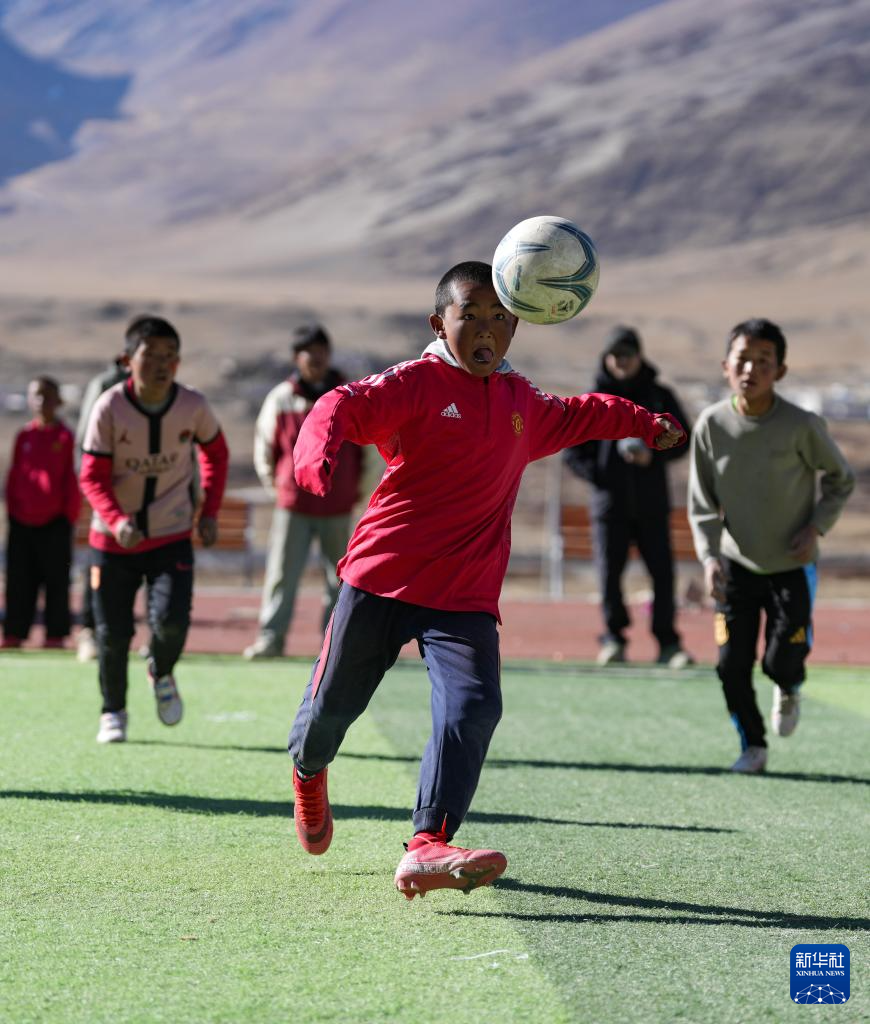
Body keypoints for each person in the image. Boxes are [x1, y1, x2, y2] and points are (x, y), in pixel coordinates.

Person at [286, 261, 686, 898]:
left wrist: (644, 420)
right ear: (439, 323)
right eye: (469, 314)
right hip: (382, 577)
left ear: (516, 325)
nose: (486, 328)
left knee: (474, 708)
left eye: (499, 317)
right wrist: (316, 455)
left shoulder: (520, 401)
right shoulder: (415, 383)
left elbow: (582, 413)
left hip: (465, 594)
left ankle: (427, 844)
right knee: (331, 712)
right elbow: (341, 403)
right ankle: (308, 772)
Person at [688, 318, 854, 774]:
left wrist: (816, 527)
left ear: (780, 371)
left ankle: (789, 682)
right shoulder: (711, 425)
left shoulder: (802, 426)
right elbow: (701, 502)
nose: (751, 369)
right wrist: (708, 557)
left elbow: (842, 479)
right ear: (726, 366)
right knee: (730, 665)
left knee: (781, 660)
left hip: (792, 566)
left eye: (764, 361)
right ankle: (753, 747)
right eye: (743, 359)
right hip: (736, 565)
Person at [79, 315, 229, 743]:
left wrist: (209, 510)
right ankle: (113, 712)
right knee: (112, 635)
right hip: (112, 542)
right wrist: (116, 519)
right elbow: (90, 475)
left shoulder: (193, 405)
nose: (162, 364)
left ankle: (160, 670)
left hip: (172, 534)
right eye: (151, 355)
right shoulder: (108, 407)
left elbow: (216, 454)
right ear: (128, 360)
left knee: (172, 624)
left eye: (170, 357)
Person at [564, 326, 694, 667]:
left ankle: (668, 643)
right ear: (606, 358)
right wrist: (603, 476)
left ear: (640, 356)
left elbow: (684, 439)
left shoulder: (659, 396)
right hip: (610, 507)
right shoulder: (594, 400)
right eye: (616, 355)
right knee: (609, 576)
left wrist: (654, 458)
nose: (622, 361)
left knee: (663, 575)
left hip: (652, 504)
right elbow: (573, 453)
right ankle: (613, 639)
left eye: (628, 355)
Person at [243, 324, 363, 659]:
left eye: (322, 351)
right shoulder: (281, 399)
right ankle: (271, 639)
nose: (317, 358)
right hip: (293, 506)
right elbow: (264, 448)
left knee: (339, 580)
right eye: (310, 352)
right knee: (282, 576)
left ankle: (335, 644)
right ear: (298, 358)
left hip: (338, 506)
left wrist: (359, 492)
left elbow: (367, 450)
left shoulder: (348, 395)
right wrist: (279, 487)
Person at [2, 376, 81, 649]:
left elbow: (71, 480)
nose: (41, 402)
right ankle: (14, 632)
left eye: (47, 396)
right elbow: (15, 476)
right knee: (19, 580)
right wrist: (13, 511)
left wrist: (67, 517)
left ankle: (56, 634)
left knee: (56, 580)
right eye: (36, 395)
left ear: (58, 401)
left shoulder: (65, 437)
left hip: (55, 522)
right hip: (22, 521)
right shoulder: (24, 436)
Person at [74, 349, 131, 662]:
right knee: (100, 564)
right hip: (110, 496)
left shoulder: (166, 390)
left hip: (155, 499)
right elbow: (86, 439)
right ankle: (90, 630)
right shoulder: (105, 386)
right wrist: (93, 487)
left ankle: (153, 639)